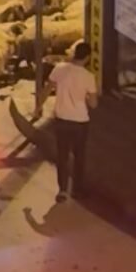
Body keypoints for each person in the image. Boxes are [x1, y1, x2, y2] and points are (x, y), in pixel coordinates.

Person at [44, 41, 98, 202]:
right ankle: (77, 190)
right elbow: (94, 104)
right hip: (80, 121)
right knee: (79, 156)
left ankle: (62, 190)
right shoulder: (88, 77)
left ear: (74, 53)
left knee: (62, 156)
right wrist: (87, 96)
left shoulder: (59, 68)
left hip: (61, 119)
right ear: (87, 57)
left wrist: (38, 107)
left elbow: (47, 89)